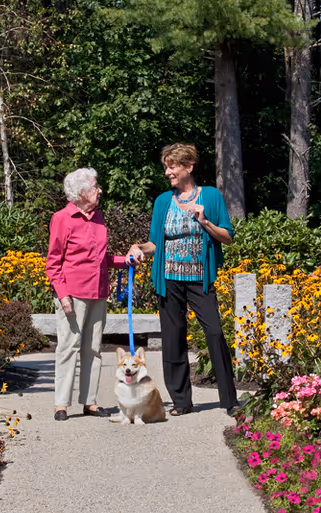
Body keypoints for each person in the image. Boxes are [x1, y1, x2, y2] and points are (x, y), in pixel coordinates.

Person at [128, 143, 240, 417]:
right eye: (166, 166)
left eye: (173, 166)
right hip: (169, 279)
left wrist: (205, 222)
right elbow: (155, 243)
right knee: (173, 338)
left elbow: (227, 236)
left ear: (189, 167)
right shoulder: (163, 201)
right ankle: (181, 401)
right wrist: (137, 248)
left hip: (200, 279)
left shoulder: (211, 197)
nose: (168, 172)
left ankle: (230, 400)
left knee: (214, 332)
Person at [46, 168, 127, 421]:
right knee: (68, 347)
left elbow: (102, 259)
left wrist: (127, 260)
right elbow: (53, 262)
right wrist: (63, 294)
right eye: (95, 186)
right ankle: (61, 404)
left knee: (93, 349)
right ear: (80, 192)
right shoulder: (62, 218)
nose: (99, 190)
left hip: (98, 291)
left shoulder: (98, 218)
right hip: (73, 293)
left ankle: (89, 402)